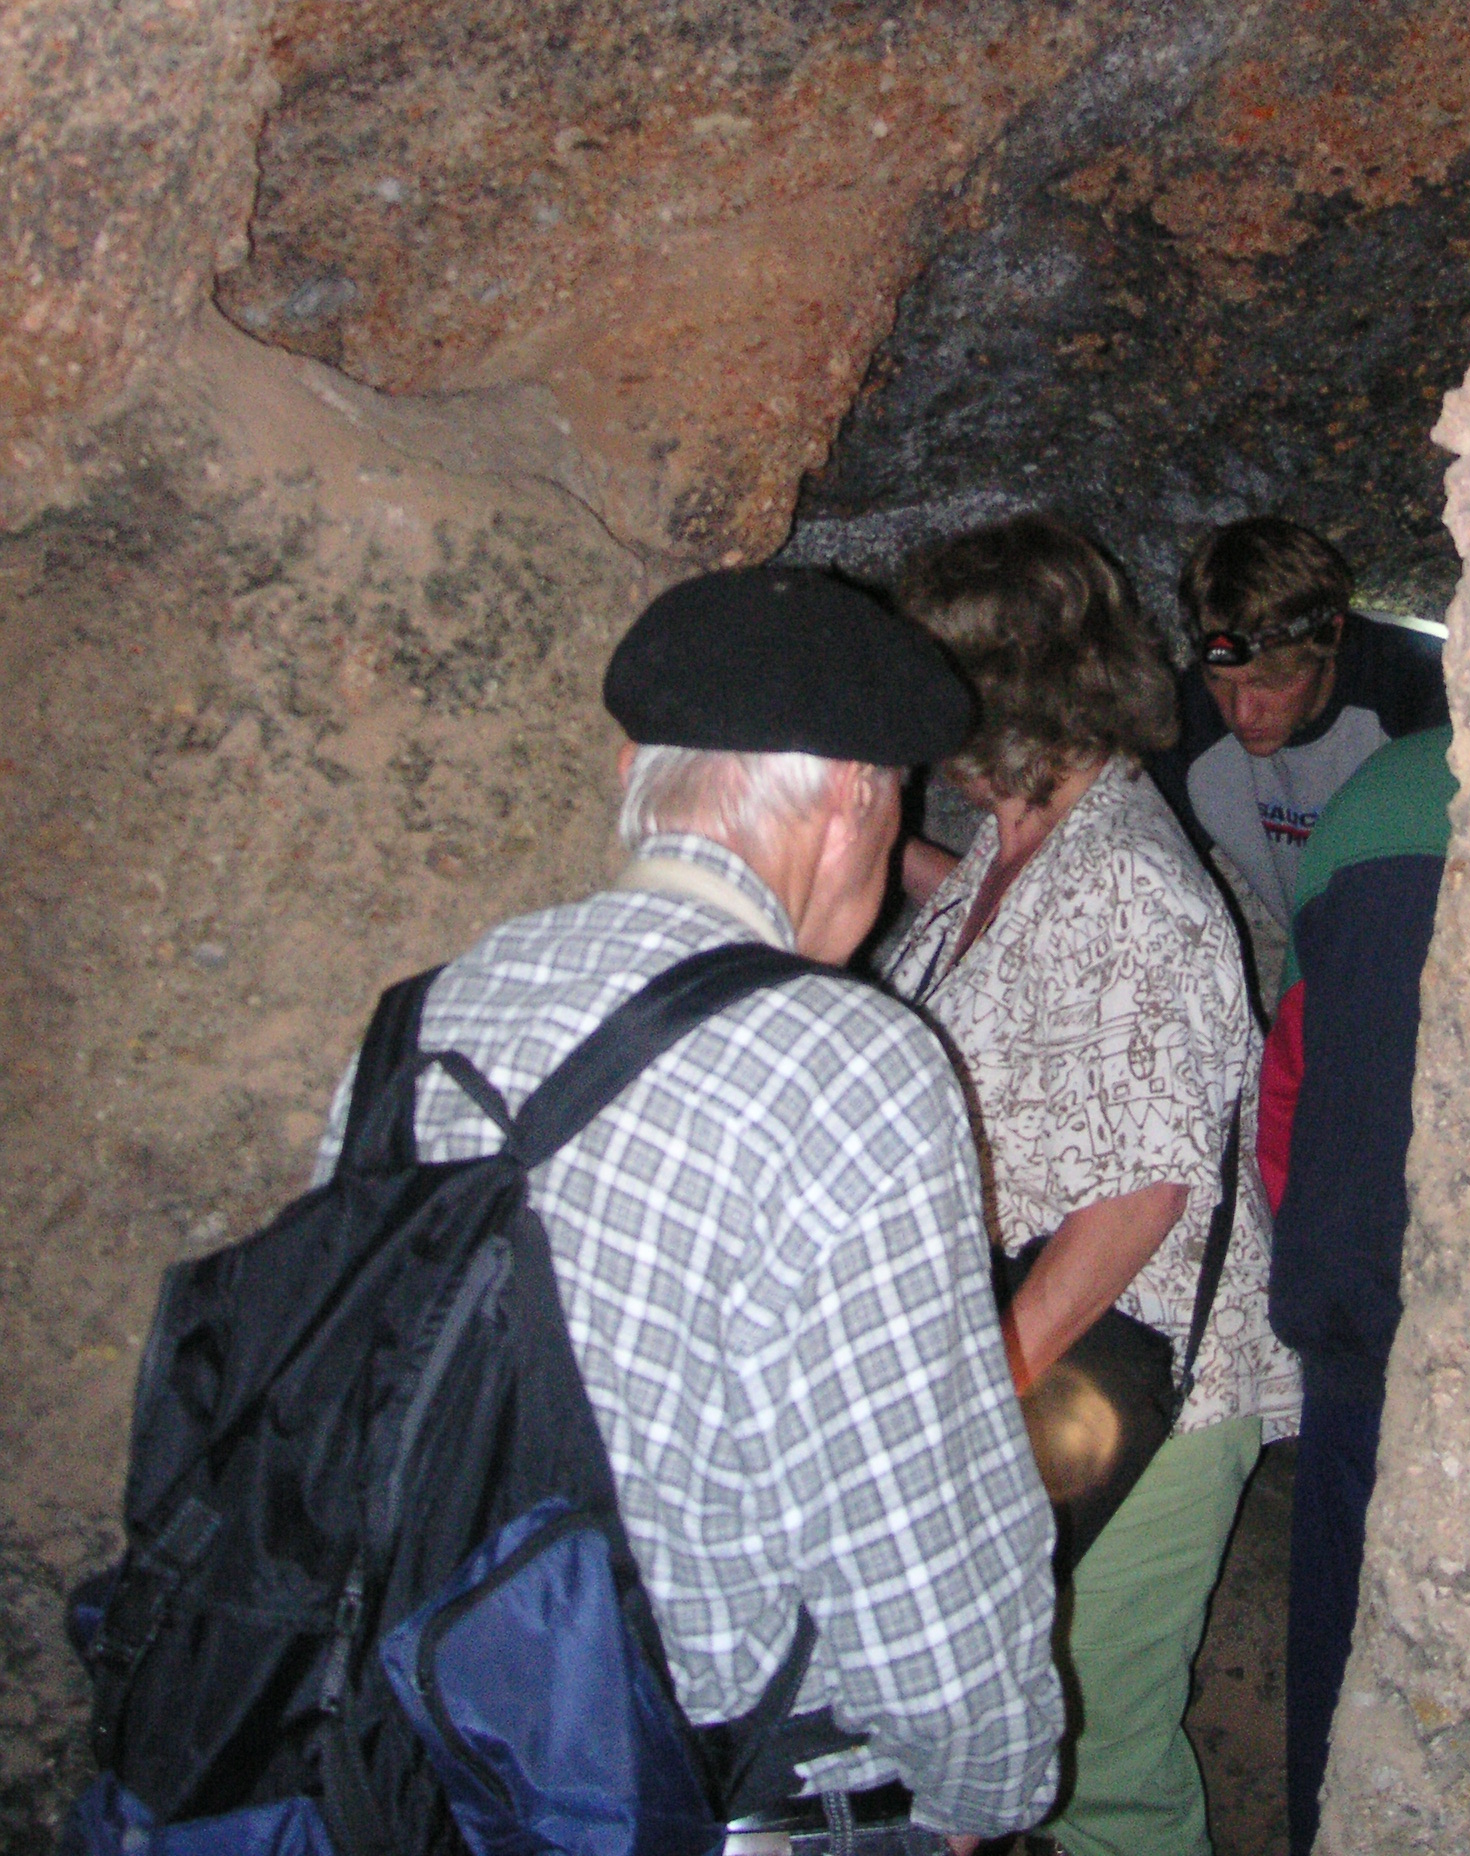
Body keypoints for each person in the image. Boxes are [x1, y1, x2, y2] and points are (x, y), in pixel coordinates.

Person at [313, 565, 1064, 1850]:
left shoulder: (420, 1018)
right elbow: (915, 1542)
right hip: (716, 1791)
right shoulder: (849, 1065)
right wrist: (987, 1787)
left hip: (435, 1755)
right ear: (852, 798)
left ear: (635, 777)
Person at [887, 516, 1293, 1856]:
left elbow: (1139, 1198)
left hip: (1136, 1380)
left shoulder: (1126, 874)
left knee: (1095, 1757)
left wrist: (970, 1394)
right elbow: (1015, 952)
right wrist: (870, 854)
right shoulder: (1022, 843)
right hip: (1059, 1360)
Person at [1259, 725, 1455, 1855]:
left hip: (1356, 1292)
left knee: (1343, 1639)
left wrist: (1309, 1255)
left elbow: (1291, 1068)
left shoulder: (1379, 795)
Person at [1148, 516, 1447, 950]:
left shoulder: (1420, 691)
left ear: (1331, 637)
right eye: (1219, 680)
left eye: (1269, 682)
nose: (1242, 712)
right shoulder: (1188, 725)